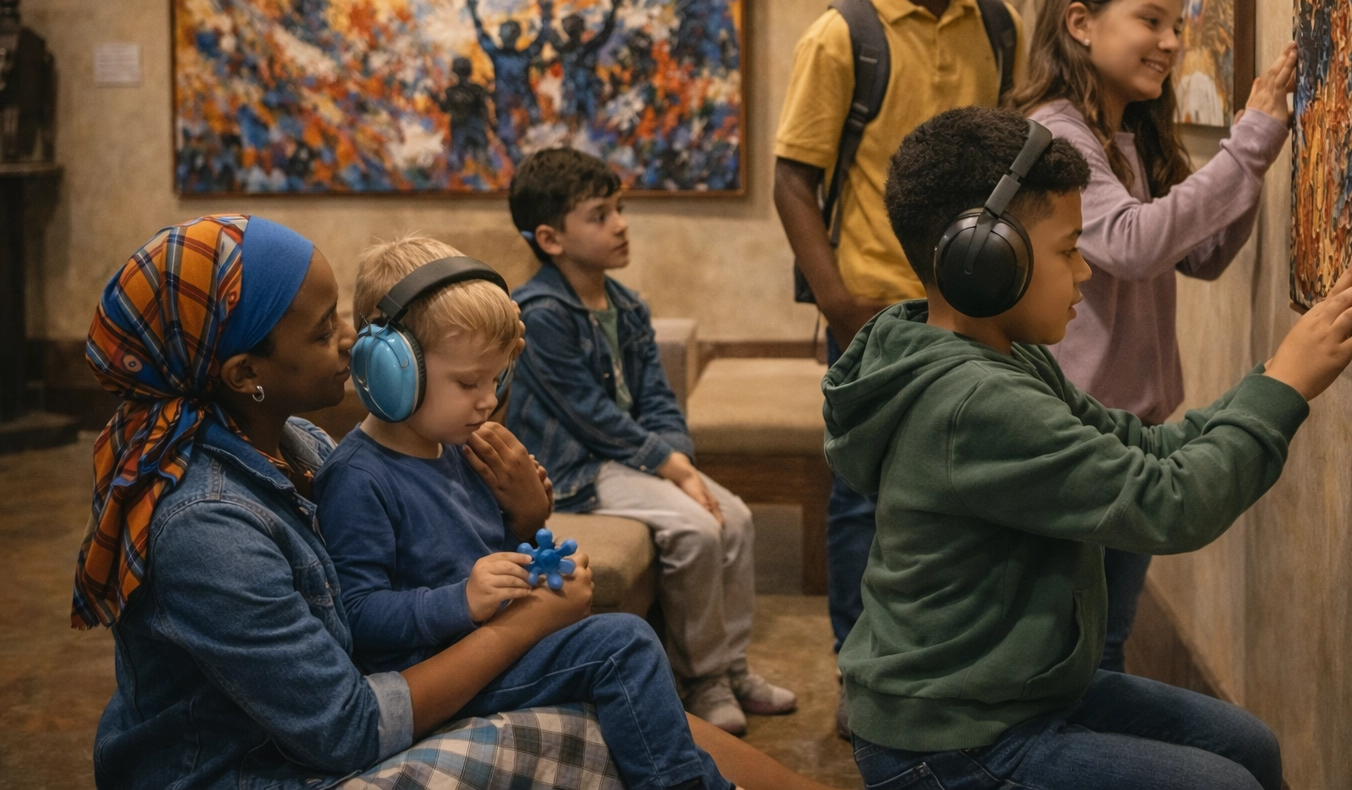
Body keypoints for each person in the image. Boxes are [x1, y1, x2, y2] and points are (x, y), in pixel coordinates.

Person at [74, 213, 832, 790]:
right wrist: (519, 620)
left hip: (356, 711)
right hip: (258, 771)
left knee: (627, 698)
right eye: (322, 327)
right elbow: (344, 725)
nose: (352, 340)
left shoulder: (298, 441)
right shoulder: (206, 526)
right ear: (245, 374)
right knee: (614, 691)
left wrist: (527, 521)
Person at [826, 107, 1352, 790]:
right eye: (1067, 250)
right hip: (949, 743)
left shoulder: (995, 357)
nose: (1084, 272)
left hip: (1011, 692)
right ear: (984, 261)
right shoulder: (973, 403)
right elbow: (1170, 504)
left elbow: (1143, 447)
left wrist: (1270, 378)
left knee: (1247, 745)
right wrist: (1289, 388)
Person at [315, 234, 733, 790]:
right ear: (392, 370)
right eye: (468, 383)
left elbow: (487, 547)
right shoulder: (359, 478)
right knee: (623, 645)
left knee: (609, 640)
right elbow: (358, 616)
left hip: (485, 646)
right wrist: (460, 601)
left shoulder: (461, 444)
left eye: (496, 379)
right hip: (440, 670)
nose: (488, 400)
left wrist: (531, 539)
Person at [771, 0, 1025, 729]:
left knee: (963, 493)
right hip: (879, 308)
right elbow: (793, 179)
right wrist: (841, 304)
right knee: (864, 502)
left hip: (980, 304)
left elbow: (1009, 157)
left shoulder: (997, 19)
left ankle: (949, 665)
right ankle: (860, 677)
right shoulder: (843, 35)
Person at [1016, 0, 1297, 671]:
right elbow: (1134, 244)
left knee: (1103, 639)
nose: (1173, 44)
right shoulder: (1056, 131)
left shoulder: (1127, 134)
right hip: (1073, 435)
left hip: (1127, 431)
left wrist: (1250, 165)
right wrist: (1248, 145)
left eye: (1178, 25)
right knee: (1079, 647)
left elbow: (1198, 257)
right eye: (1153, 21)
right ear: (1081, 23)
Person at [505, 148, 796, 734]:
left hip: (625, 460)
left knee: (734, 518)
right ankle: (704, 678)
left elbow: (659, 398)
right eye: (599, 214)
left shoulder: (628, 306)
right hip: (578, 470)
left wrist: (678, 456)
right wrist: (672, 469)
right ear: (550, 238)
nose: (620, 223)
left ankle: (732, 667)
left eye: (619, 208)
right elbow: (590, 417)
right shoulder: (539, 313)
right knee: (695, 527)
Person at [468, 0, 555, 139]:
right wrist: (546, 16)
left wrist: (473, 12)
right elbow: (541, 38)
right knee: (536, 133)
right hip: (525, 100)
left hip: (504, 102)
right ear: (517, 37)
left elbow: (482, 36)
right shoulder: (525, 55)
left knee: (507, 138)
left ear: (501, 36)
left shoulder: (496, 55)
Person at [555, 0, 623, 122]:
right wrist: (614, 9)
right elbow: (606, 32)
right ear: (579, 31)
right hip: (586, 94)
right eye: (584, 29)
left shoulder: (564, 50)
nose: (588, 32)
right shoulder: (587, 48)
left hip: (572, 95)